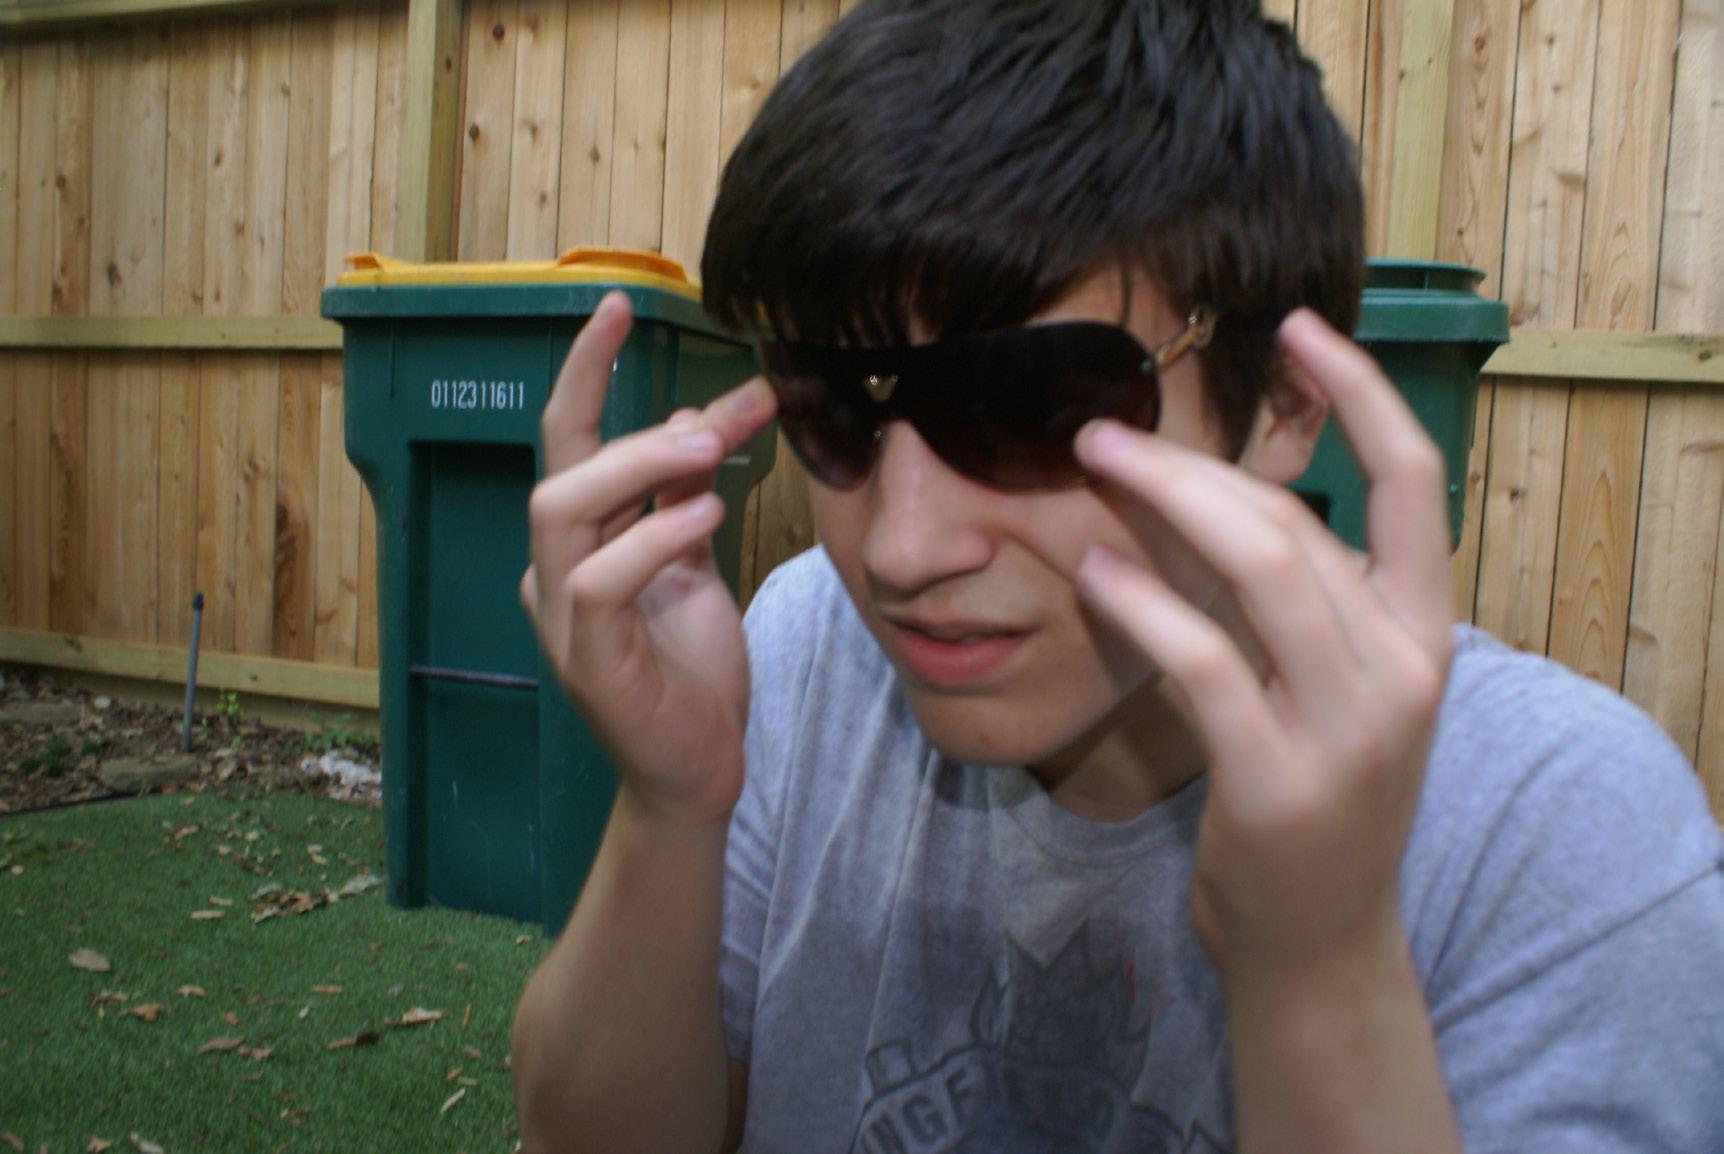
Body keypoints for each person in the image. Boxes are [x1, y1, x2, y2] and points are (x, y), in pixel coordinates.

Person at [508, 1, 1724, 1151]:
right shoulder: (802, 648)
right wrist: (671, 808)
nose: (900, 547)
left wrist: (1318, 968)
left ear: (1285, 399)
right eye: (838, 398)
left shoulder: (1553, 831)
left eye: (1030, 405)